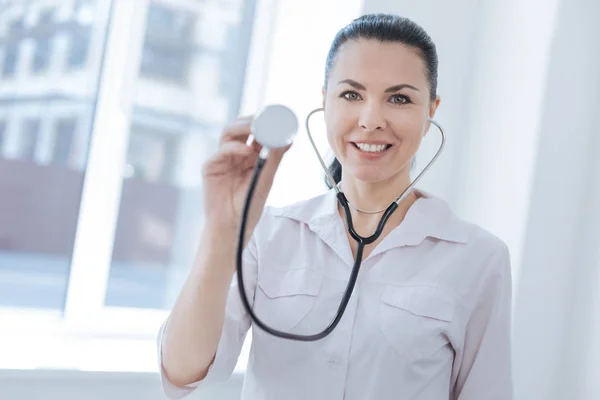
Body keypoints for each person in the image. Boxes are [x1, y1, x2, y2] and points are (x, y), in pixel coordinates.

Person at [158, 13, 513, 400]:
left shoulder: (478, 257)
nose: (371, 120)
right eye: (351, 94)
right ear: (323, 102)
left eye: (399, 98)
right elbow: (183, 373)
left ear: (430, 112)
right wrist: (222, 233)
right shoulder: (269, 233)